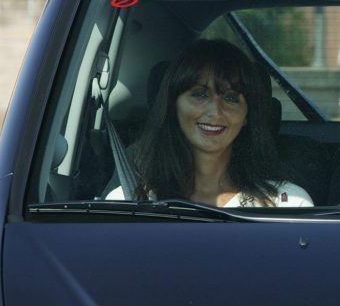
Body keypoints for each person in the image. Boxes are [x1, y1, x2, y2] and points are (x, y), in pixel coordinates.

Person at [107, 38, 313, 207]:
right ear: (173, 106)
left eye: (231, 98)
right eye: (199, 94)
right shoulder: (128, 202)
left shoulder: (288, 204)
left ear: (247, 116)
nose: (215, 111)